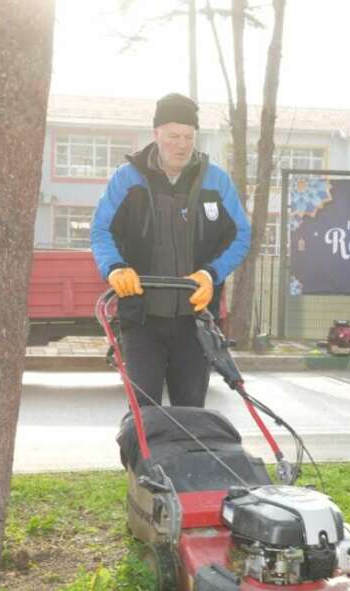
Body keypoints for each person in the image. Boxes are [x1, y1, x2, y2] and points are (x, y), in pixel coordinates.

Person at [90, 92, 250, 408]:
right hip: (141, 320)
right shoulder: (128, 178)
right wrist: (115, 267)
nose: (181, 144)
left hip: (196, 321)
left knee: (191, 412)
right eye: (173, 136)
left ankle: (186, 459)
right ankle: (143, 458)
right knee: (143, 412)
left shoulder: (215, 180)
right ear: (156, 134)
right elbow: (100, 231)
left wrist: (210, 273)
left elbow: (241, 235)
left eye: (188, 136)